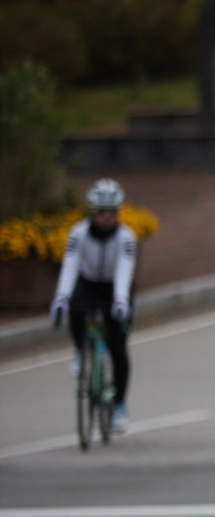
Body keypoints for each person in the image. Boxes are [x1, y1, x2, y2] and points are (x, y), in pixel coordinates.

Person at [51, 179, 136, 433]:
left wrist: (121, 300)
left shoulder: (126, 237)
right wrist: (61, 297)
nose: (107, 217)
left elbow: (124, 271)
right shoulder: (77, 234)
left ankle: (119, 405)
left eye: (112, 212)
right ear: (92, 212)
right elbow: (69, 265)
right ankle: (80, 350)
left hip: (114, 288)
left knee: (118, 348)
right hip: (88, 282)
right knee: (75, 310)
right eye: (101, 212)